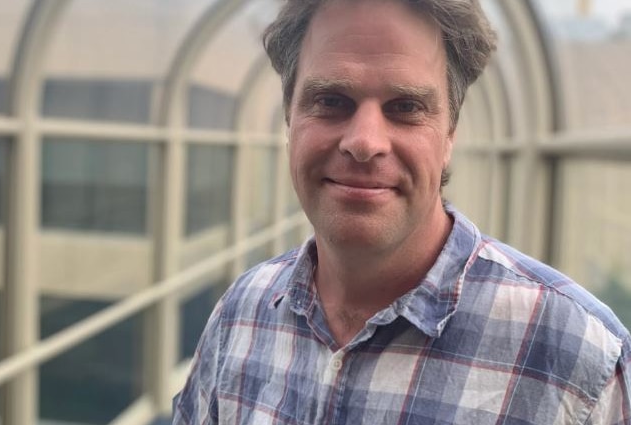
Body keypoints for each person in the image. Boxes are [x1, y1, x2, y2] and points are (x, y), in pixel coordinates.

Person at [173, 0, 631, 423]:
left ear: (449, 134)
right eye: (331, 101)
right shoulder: (241, 313)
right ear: (290, 120)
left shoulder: (575, 361)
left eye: (405, 107)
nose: (364, 142)